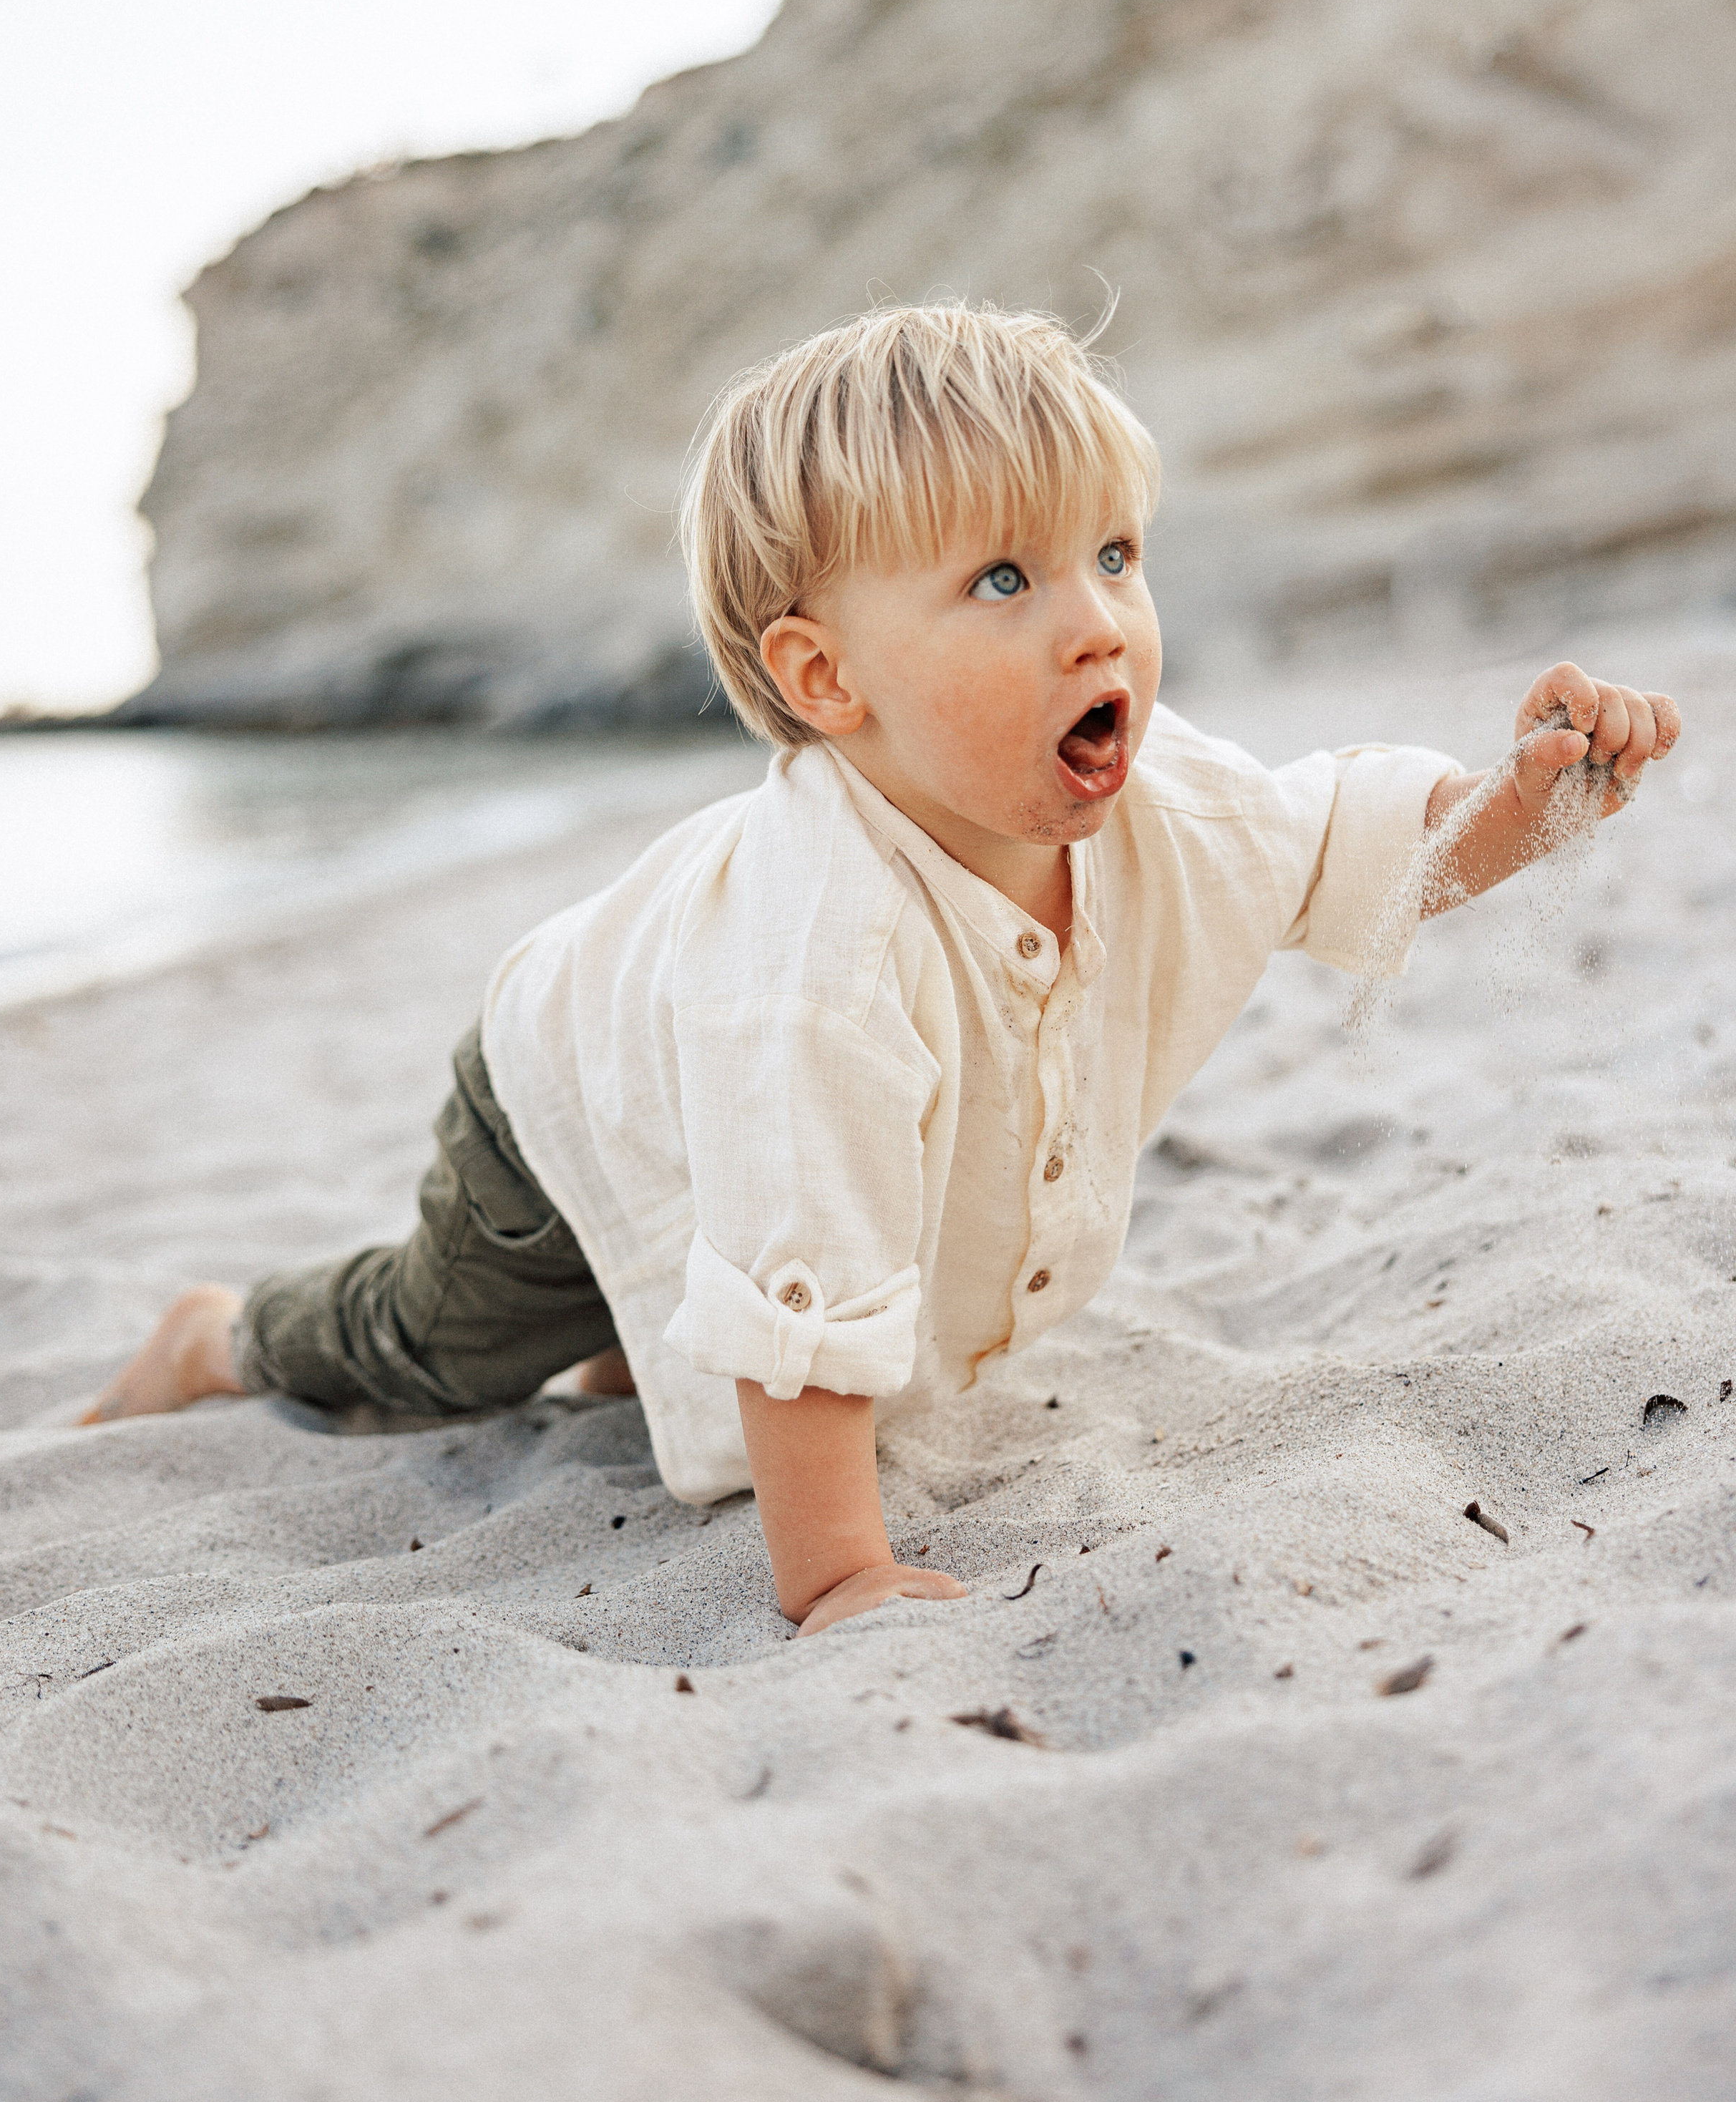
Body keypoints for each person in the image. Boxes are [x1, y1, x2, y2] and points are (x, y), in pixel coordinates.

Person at [82, 303, 1681, 1636]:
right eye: (1003, 580)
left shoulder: (1162, 797)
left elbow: (1340, 835)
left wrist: (1520, 800)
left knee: (672, 1293)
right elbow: (803, 1295)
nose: (1095, 625)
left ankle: (623, 1329)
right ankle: (216, 1332)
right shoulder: (814, 967)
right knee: (436, 1351)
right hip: (562, 1097)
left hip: (694, 1081)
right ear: (824, 673)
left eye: (1112, 554)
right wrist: (839, 1573)